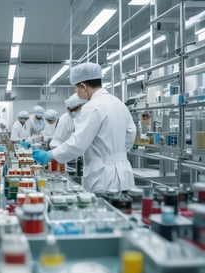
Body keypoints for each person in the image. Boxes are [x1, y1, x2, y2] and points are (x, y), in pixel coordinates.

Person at [33, 62, 136, 193]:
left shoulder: (92, 107)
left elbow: (77, 144)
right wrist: (114, 152)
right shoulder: (119, 104)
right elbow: (131, 133)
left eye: (75, 89)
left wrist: (51, 155)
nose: (76, 92)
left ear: (83, 86)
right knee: (120, 210)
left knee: (102, 211)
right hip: (124, 173)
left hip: (102, 177)